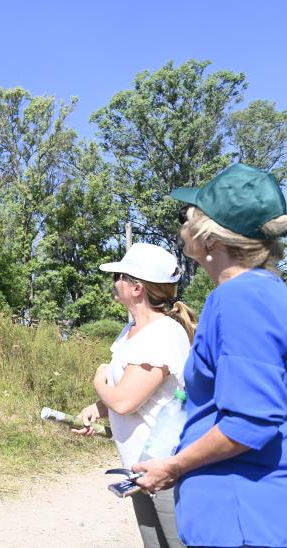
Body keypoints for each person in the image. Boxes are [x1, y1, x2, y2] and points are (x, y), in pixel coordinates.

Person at [133, 163, 287, 547]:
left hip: (241, 518)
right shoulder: (265, 293)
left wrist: (172, 467)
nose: (183, 223)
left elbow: (249, 423)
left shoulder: (240, 298)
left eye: (190, 216)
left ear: (211, 239)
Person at [73, 243, 197, 548]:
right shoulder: (131, 330)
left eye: (119, 275)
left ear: (137, 287)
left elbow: (125, 401)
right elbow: (129, 388)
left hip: (167, 468)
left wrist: (98, 380)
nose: (114, 282)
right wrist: (99, 408)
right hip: (139, 466)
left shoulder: (163, 333)